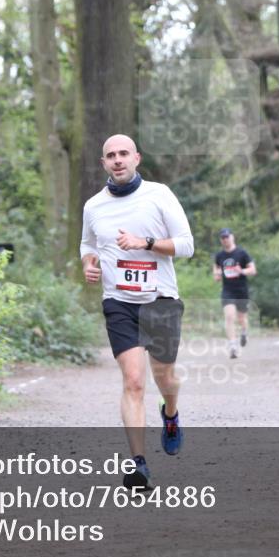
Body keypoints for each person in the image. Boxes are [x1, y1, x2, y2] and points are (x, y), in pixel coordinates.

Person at [80, 134, 194, 489]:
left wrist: (145, 243)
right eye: (110, 155)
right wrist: (89, 263)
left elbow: (187, 245)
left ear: (136, 158)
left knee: (165, 378)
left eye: (123, 154)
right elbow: (87, 244)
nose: (117, 159)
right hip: (118, 303)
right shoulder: (93, 206)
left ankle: (170, 413)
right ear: (104, 163)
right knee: (133, 381)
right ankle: (139, 465)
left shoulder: (159, 194)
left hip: (160, 300)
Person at [213, 228, 256, 359]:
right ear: (221, 240)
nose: (225, 240)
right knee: (229, 316)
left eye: (227, 237)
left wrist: (241, 271)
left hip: (241, 290)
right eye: (223, 238)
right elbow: (216, 274)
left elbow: (253, 270)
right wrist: (217, 274)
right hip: (228, 291)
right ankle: (233, 346)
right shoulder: (219, 256)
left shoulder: (242, 253)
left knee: (242, 318)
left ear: (232, 237)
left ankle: (244, 332)